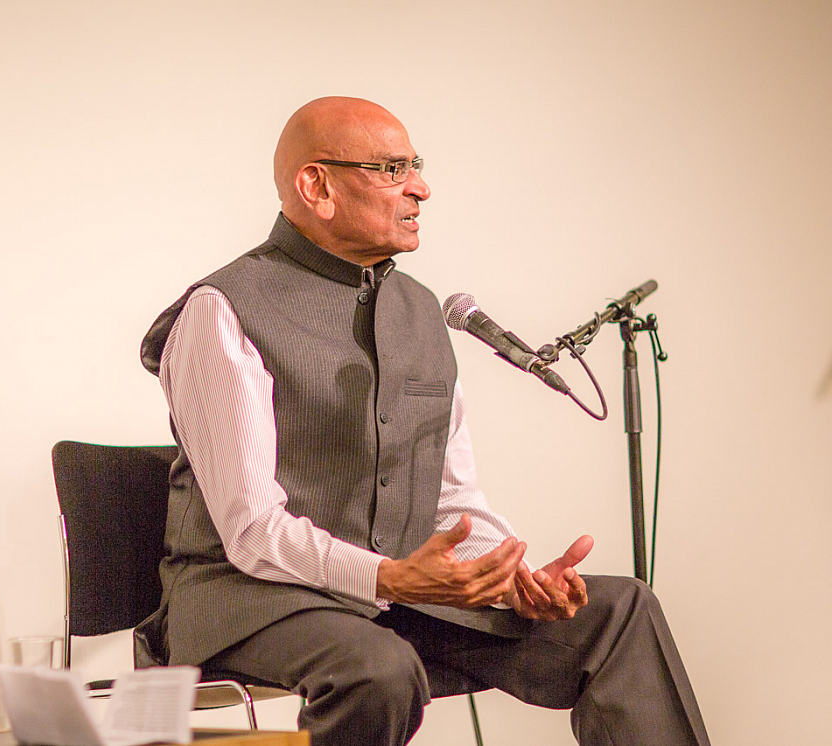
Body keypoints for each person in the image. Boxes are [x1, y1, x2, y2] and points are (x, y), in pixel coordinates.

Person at [138, 96, 710, 746]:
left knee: (621, 611)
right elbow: (251, 530)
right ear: (317, 186)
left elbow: (451, 502)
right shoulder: (223, 310)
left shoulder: (422, 312)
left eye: (416, 165)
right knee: (377, 670)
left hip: (394, 599)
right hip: (248, 603)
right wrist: (387, 577)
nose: (420, 188)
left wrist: (511, 580)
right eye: (392, 169)